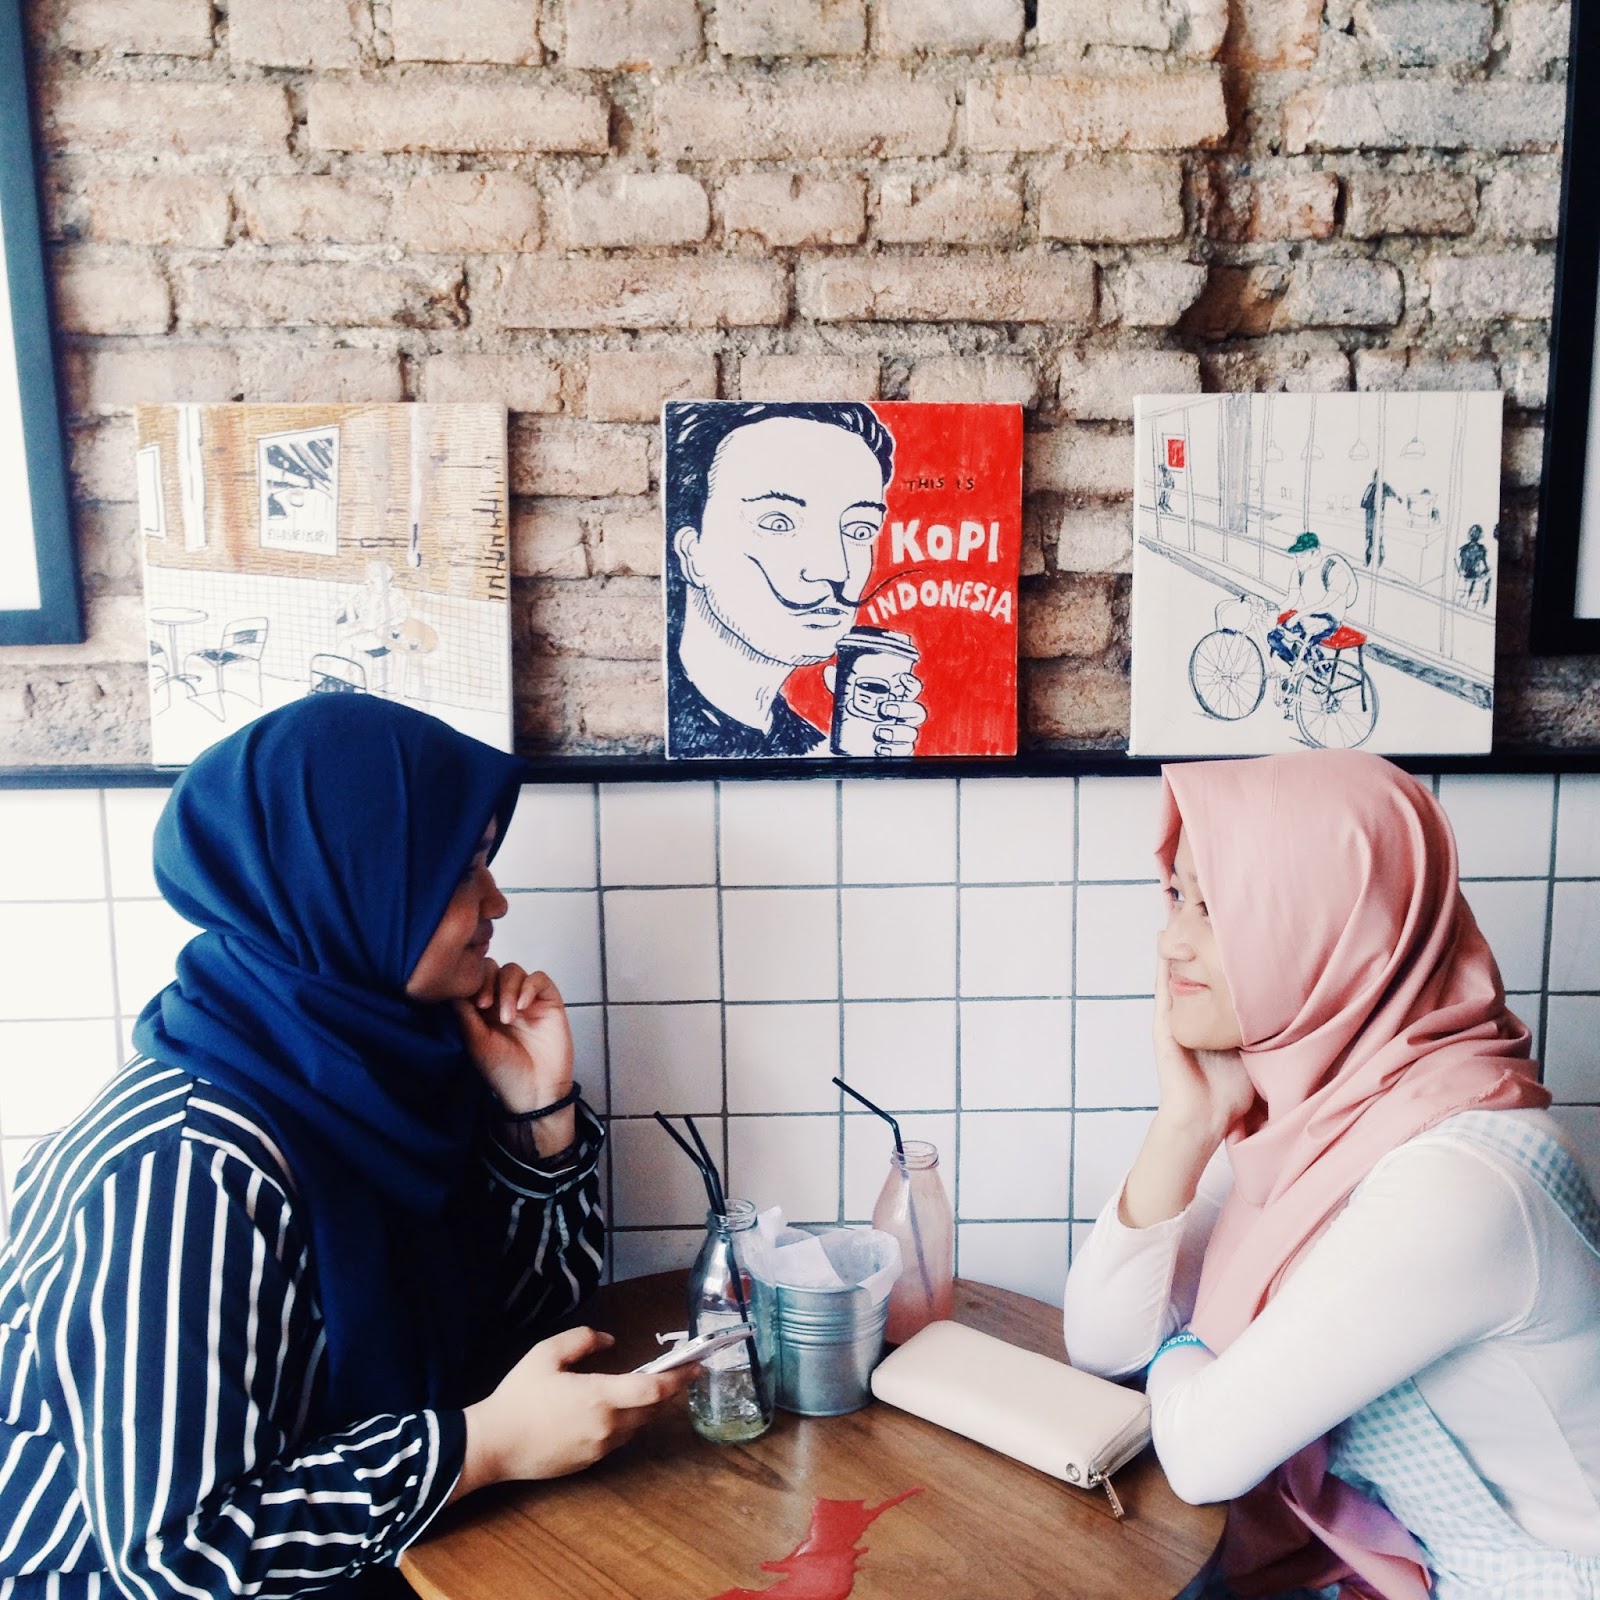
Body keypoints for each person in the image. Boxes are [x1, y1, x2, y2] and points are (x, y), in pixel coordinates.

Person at [0, 696, 692, 1600]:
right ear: (348, 885)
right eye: (463, 869)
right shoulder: (185, 1167)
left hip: (387, 1558)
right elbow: (180, 1552)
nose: (497, 902)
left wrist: (538, 1110)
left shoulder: (390, 1070)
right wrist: (482, 1448)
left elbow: (533, 1323)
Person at [1063, 750, 1600, 1600]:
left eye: (1217, 908)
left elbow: (1202, 1454)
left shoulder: (1460, 1180)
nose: (1172, 942)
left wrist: (1186, 1346)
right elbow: (1101, 1344)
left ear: (1335, 931)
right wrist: (1187, 1124)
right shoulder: (1319, 1119)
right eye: (1177, 895)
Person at [664, 400, 925, 758]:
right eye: (778, 523)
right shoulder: (681, 731)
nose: (836, 571)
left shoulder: (808, 745)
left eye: (859, 530)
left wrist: (861, 764)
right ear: (693, 552)